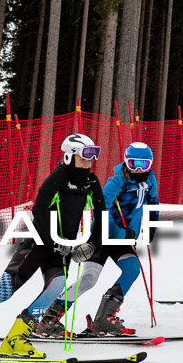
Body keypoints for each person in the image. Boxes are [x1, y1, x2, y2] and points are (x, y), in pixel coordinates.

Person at [0, 134, 105, 357]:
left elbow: (101, 216)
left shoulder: (91, 182)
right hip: (38, 243)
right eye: (84, 156)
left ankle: (15, 339)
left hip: (62, 250)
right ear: (69, 155)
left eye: (92, 156)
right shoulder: (58, 177)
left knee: (56, 287)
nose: (88, 162)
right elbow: (39, 209)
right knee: (4, 291)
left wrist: (91, 245)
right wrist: (55, 240)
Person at [36, 142, 159, 337]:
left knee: (132, 269)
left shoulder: (150, 180)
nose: (138, 169)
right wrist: (120, 233)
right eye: (134, 163)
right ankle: (49, 319)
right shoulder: (116, 182)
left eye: (143, 164)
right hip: (103, 236)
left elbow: (153, 203)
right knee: (88, 280)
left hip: (124, 240)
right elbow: (101, 211)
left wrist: (152, 226)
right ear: (126, 162)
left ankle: (104, 319)